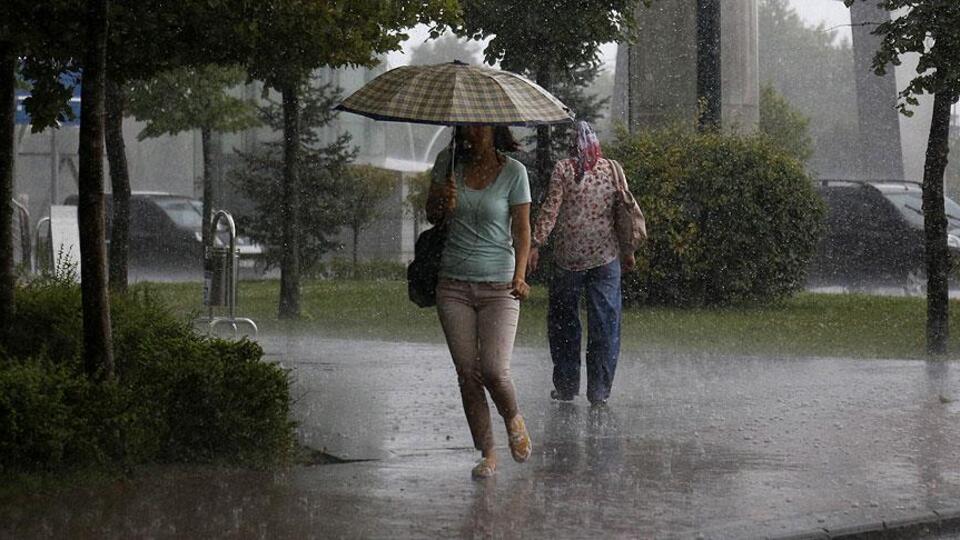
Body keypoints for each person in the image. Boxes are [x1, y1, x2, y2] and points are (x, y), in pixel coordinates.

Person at [425, 125, 533, 479]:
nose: (473, 131)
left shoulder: (514, 173)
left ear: (494, 128)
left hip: (500, 286)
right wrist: (443, 199)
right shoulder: (448, 162)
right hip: (452, 285)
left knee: (493, 369)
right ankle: (487, 452)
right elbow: (431, 215)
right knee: (467, 373)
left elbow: (521, 230)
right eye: (468, 124)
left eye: (481, 124)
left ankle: (512, 417)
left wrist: (519, 275)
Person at [527, 121, 635, 407]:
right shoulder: (613, 169)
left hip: (567, 260)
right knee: (605, 325)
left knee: (564, 324)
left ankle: (566, 386)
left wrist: (536, 243)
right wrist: (629, 250)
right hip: (605, 258)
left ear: (571, 143)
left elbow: (551, 209)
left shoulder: (564, 169)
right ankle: (598, 391)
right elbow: (624, 214)